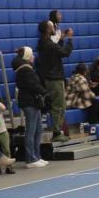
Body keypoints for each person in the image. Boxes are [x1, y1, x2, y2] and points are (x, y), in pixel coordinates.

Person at [36, 14, 73, 142]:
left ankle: (58, 130)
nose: (54, 29)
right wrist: (69, 40)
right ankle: (57, 132)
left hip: (51, 77)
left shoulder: (44, 43)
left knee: (60, 105)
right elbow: (65, 53)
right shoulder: (49, 44)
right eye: (52, 27)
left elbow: (57, 52)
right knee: (58, 105)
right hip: (54, 78)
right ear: (48, 29)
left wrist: (61, 39)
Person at [12, 46, 48, 169]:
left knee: (38, 130)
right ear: (27, 56)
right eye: (31, 55)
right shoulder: (25, 70)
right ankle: (30, 159)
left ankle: (36, 156)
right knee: (31, 131)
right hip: (29, 102)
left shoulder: (26, 68)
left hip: (33, 102)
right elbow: (33, 85)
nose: (33, 57)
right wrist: (44, 91)